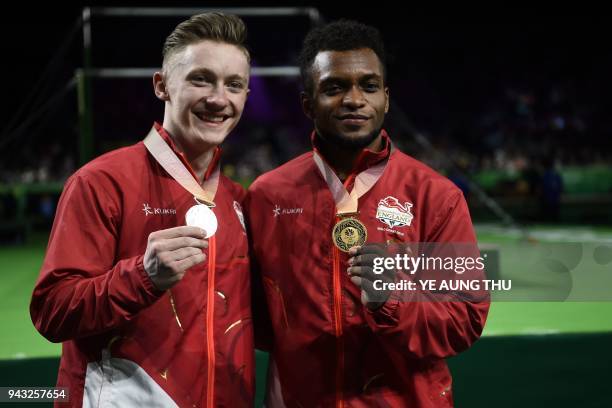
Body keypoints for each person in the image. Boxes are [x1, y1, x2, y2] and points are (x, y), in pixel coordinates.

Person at [246, 20, 490, 407]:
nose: (354, 99)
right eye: (334, 87)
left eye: (368, 85)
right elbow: (257, 319)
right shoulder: (267, 196)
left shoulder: (435, 196)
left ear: (386, 99)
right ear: (308, 103)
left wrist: (391, 301)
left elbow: (464, 319)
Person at [30, 12, 254, 407]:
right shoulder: (101, 181)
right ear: (162, 85)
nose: (219, 98)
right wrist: (142, 277)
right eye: (200, 79)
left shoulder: (238, 200)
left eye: (233, 85)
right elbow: (52, 310)